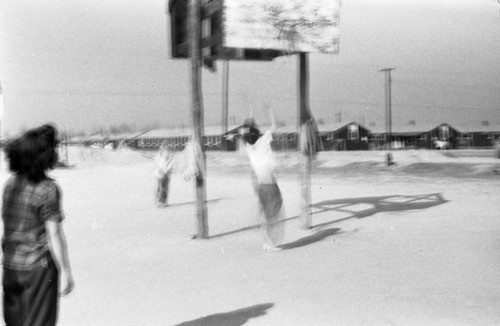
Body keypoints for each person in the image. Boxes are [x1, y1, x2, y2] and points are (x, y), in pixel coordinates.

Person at [2, 124, 74, 326]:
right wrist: (66, 271)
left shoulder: (10, 185)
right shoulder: (48, 189)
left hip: (10, 267)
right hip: (37, 270)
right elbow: (54, 234)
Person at [240, 112, 285, 251]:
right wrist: (271, 112)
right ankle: (270, 243)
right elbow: (274, 126)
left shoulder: (248, 146)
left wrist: (250, 119)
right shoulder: (263, 140)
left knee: (266, 212)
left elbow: (245, 133)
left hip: (260, 184)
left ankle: (266, 242)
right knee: (274, 212)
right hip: (269, 183)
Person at [154, 142, 175, 207]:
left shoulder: (170, 155)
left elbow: (171, 163)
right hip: (160, 173)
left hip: (166, 173)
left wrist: (166, 170)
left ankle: (163, 201)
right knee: (160, 187)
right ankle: (159, 201)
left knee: (165, 187)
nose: (164, 148)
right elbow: (158, 162)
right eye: (163, 147)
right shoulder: (159, 155)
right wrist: (162, 169)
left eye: (166, 147)